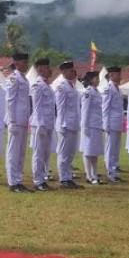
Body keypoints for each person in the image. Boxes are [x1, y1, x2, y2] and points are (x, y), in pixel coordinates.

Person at [2, 52, 32, 193]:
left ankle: (18, 180)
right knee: (13, 152)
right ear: (17, 63)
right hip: (16, 120)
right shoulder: (13, 78)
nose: (27, 65)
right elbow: (10, 101)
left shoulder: (24, 79)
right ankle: (13, 182)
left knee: (21, 153)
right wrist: (12, 121)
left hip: (23, 120)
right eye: (24, 62)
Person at [27, 58, 56, 191]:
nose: (49, 70)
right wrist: (40, 124)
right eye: (46, 67)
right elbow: (37, 106)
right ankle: (38, 180)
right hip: (40, 123)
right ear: (39, 69)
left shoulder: (48, 86)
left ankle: (43, 178)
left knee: (45, 153)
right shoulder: (37, 85)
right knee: (38, 153)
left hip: (48, 123)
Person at [52, 61, 82, 189]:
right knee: (64, 153)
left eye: (73, 70)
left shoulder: (72, 86)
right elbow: (60, 107)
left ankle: (68, 177)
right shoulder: (61, 86)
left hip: (73, 123)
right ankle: (64, 179)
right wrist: (63, 124)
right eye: (70, 70)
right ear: (64, 72)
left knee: (70, 153)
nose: (73, 72)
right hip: (65, 124)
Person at [101, 66, 126, 182]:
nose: (120, 76)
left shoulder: (118, 89)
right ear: (111, 75)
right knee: (110, 149)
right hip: (111, 123)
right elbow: (105, 108)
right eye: (117, 74)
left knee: (116, 149)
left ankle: (114, 171)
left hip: (117, 123)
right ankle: (110, 172)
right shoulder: (108, 88)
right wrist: (105, 124)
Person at [79, 70, 104, 185]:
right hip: (90, 125)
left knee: (95, 152)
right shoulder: (88, 92)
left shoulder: (97, 92)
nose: (98, 80)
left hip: (97, 125)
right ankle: (88, 175)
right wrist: (85, 127)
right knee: (88, 152)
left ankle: (94, 174)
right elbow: (85, 111)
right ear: (90, 80)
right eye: (95, 78)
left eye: (98, 78)